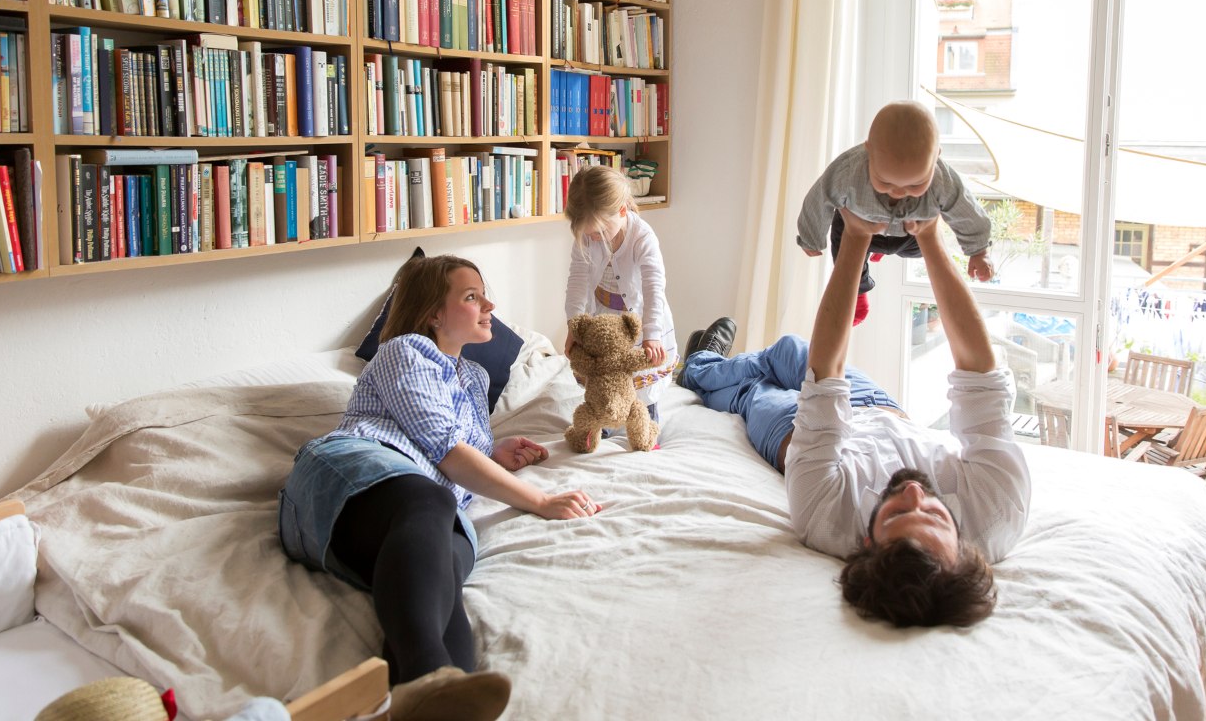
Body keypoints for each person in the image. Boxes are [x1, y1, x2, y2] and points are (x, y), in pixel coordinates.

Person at [278, 253, 600, 721]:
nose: (489, 304)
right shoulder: (404, 350)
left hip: (418, 512)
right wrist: (542, 500)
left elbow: (452, 446)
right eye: (471, 296)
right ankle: (429, 676)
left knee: (450, 564)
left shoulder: (473, 378)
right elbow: (446, 450)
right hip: (347, 481)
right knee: (428, 499)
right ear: (432, 312)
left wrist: (494, 452)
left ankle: (428, 700)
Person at [681, 212, 1030, 627]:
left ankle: (698, 367)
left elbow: (825, 372)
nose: (917, 494)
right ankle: (706, 364)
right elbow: (980, 376)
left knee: (748, 391)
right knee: (791, 349)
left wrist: (855, 241)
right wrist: (932, 241)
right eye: (937, 514)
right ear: (963, 543)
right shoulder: (997, 512)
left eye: (898, 514)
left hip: (798, 433)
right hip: (881, 411)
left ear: (867, 541)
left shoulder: (825, 518)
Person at [796, 100, 994, 325]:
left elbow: (965, 209)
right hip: (860, 226)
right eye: (885, 181)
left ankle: (886, 248)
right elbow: (820, 197)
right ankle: (859, 291)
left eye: (915, 184)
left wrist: (978, 251)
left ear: (936, 158)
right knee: (843, 249)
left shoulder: (943, 179)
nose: (899, 192)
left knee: (924, 249)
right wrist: (810, 236)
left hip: (912, 231)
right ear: (868, 151)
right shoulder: (848, 170)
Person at [563, 166, 677, 437]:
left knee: (640, 377)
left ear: (622, 212)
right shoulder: (586, 237)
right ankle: (599, 419)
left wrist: (652, 334)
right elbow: (577, 280)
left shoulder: (642, 238)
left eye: (599, 233)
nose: (594, 239)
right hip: (602, 318)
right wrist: (574, 324)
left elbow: (653, 287)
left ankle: (646, 424)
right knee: (602, 374)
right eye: (589, 234)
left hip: (634, 322)